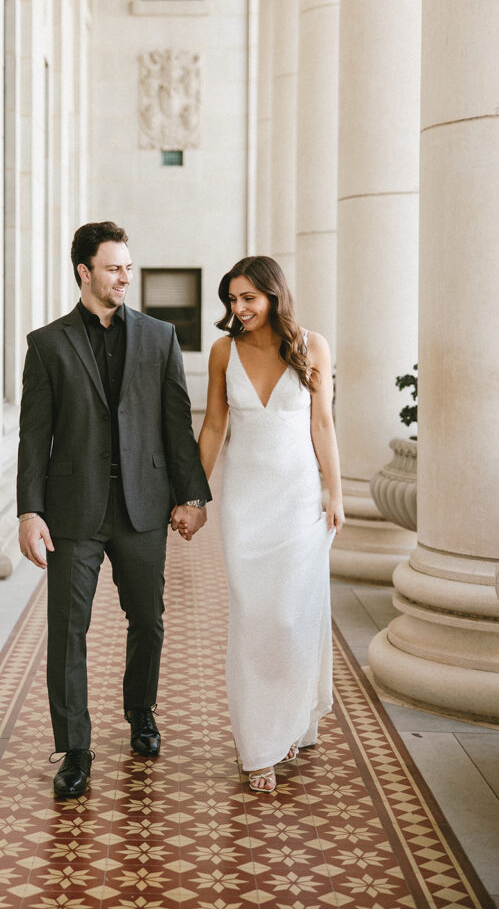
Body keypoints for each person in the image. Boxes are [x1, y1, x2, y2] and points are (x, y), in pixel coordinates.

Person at [17, 221, 210, 799]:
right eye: (113, 267)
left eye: (129, 266)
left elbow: (177, 424)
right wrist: (30, 511)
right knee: (68, 629)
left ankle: (141, 712)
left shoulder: (159, 337)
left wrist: (192, 494)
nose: (125, 276)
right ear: (84, 272)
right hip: (73, 510)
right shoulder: (47, 343)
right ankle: (75, 747)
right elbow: (34, 435)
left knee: (147, 619)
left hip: (143, 507)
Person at [196, 255, 344, 793]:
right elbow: (214, 426)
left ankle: (293, 719)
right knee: (255, 618)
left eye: (248, 299)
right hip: (245, 504)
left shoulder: (313, 346)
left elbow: (323, 423)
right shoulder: (223, 350)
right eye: (232, 300)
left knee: (292, 617)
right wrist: (195, 495)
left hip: (300, 501)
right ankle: (258, 743)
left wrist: (336, 492)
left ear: (274, 296)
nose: (238, 309)